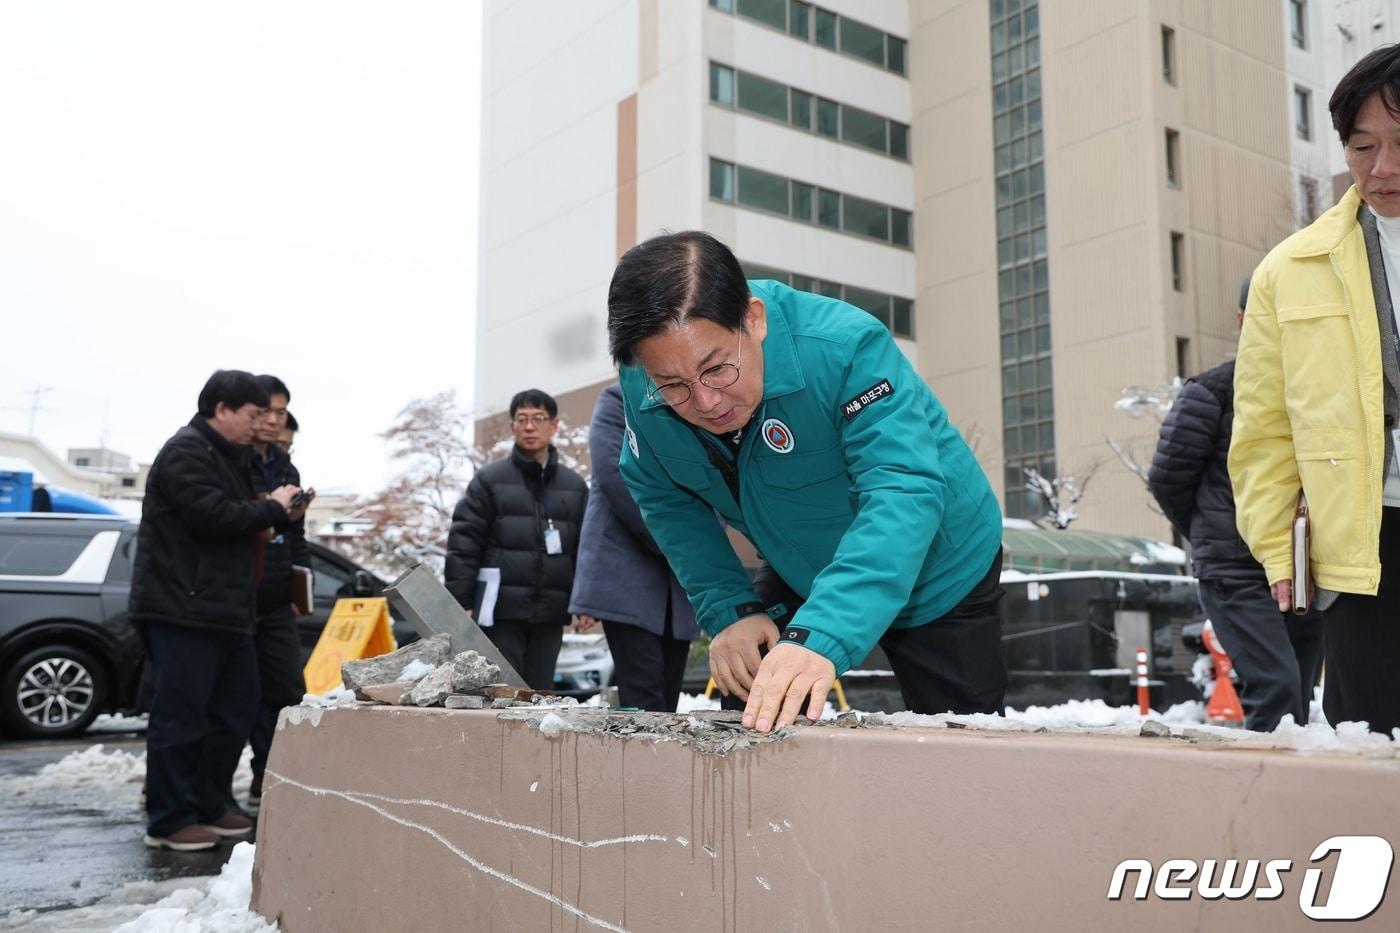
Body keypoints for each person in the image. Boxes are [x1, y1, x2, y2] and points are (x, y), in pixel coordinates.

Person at [609, 231, 1005, 735]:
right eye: (675, 385)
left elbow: (901, 490)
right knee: (753, 711)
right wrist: (732, 609)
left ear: (754, 319)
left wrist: (822, 637)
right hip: (800, 559)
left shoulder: (845, 347)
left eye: (717, 369)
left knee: (961, 757)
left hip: (939, 563)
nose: (706, 402)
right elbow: (663, 497)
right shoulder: (645, 383)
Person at [1231, 43, 1400, 736]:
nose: (1383, 168)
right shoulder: (1289, 271)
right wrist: (1278, 547)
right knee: (1369, 740)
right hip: (1362, 545)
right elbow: (1263, 428)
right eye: (1363, 147)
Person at [130, 370, 301, 850]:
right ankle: (168, 819)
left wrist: (272, 515)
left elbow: (238, 518)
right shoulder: (186, 451)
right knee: (181, 715)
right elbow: (211, 515)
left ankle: (208, 802)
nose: (260, 424)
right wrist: (272, 509)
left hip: (228, 610)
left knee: (236, 708)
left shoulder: (231, 456)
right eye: (252, 414)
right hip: (183, 608)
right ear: (220, 409)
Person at [1148, 279, 1324, 731]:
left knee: (1299, 700)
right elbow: (1168, 480)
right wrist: (1215, 534)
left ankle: (1288, 794)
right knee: (1279, 689)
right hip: (1237, 571)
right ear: (1243, 322)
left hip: (1305, 565)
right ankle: (1262, 793)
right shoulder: (1211, 391)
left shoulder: (1314, 390)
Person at [445, 389, 588, 689]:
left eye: (538, 418)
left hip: (551, 610)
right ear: (512, 427)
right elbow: (464, 542)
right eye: (522, 419)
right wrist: (461, 602)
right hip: (501, 611)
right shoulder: (489, 480)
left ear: (554, 425)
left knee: (539, 694)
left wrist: (586, 601)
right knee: (503, 692)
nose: (529, 426)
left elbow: (586, 549)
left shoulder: (574, 486)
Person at [569, 384, 700, 712]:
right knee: (643, 694)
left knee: (667, 697)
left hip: (678, 579)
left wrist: (701, 537)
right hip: (627, 570)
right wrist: (671, 538)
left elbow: (711, 484)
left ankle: (660, 762)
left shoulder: (690, 402)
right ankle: (645, 763)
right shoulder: (616, 400)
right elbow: (614, 474)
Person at [245, 375, 312, 806]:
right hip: (235, 595)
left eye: (281, 415)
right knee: (236, 696)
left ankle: (271, 778)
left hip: (276, 602)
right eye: (266, 413)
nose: (273, 424)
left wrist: (297, 583)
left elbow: (297, 535)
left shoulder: (287, 469)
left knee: (287, 691)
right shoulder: (229, 462)